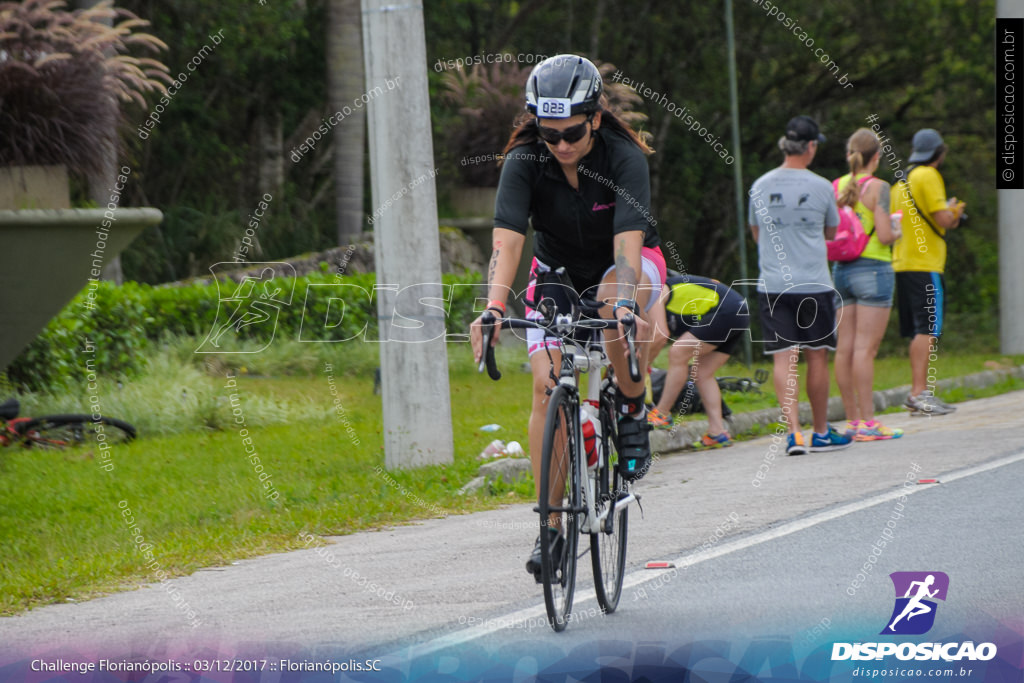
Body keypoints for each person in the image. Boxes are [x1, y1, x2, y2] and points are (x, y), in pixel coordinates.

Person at [469, 55, 667, 580]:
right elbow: (507, 244)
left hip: (624, 266)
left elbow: (627, 251)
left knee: (611, 304)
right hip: (555, 271)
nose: (560, 145)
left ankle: (630, 407)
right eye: (548, 133)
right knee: (544, 387)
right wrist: (492, 306)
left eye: (572, 133)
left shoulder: (624, 158)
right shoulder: (525, 161)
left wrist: (626, 305)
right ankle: (551, 528)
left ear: (595, 119)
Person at [748, 115, 853, 456]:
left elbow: (756, 234)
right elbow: (832, 233)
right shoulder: (823, 186)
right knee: (817, 358)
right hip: (814, 283)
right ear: (810, 146)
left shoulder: (760, 185)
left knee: (784, 358)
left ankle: (793, 434)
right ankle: (821, 432)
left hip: (774, 284)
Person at [831, 129, 904, 441]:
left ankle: (852, 421)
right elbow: (886, 236)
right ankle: (870, 423)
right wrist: (897, 229)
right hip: (873, 268)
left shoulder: (836, 185)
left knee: (844, 348)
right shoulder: (879, 187)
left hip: (840, 271)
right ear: (876, 157)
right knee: (865, 349)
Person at [892, 129, 965, 416]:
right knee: (928, 329)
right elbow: (942, 218)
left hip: (903, 262)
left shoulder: (900, 180)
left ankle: (917, 392)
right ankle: (919, 393)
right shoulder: (928, 176)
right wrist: (954, 212)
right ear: (939, 152)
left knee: (917, 330)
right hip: (925, 263)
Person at [646, 274, 750, 450]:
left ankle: (662, 413)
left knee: (678, 353)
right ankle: (717, 432)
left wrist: (641, 367)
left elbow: (660, 335)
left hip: (727, 311)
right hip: (739, 311)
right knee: (703, 373)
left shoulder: (655, 291)